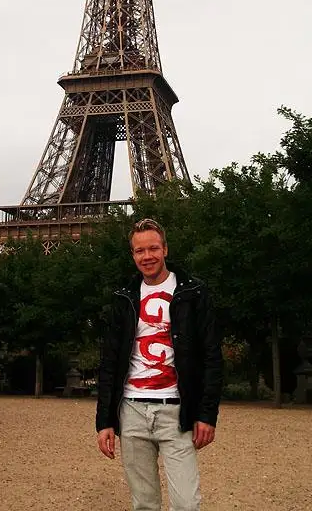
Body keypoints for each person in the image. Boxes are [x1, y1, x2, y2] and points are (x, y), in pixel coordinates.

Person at [96, 217, 223, 511]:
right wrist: (104, 421)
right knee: (144, 504)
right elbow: (110, 361)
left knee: (186, 505)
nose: (147, 256)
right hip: (132, 412)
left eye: (153, 249)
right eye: (140, 251)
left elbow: (212, 357)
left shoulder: (194, 293)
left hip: (176, 411)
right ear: (133, 255)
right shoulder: (123, 298)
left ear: (165, 249)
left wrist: (207, 414)